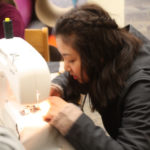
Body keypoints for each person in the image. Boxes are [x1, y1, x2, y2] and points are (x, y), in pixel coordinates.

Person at [44, 3, 150, 150]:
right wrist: (58, 86)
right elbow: (77, 74)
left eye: (71, 60)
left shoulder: (141, 87)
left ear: (95, 55)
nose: (66, 67)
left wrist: (74, 122)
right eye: (64, 58)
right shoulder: (112, 48)